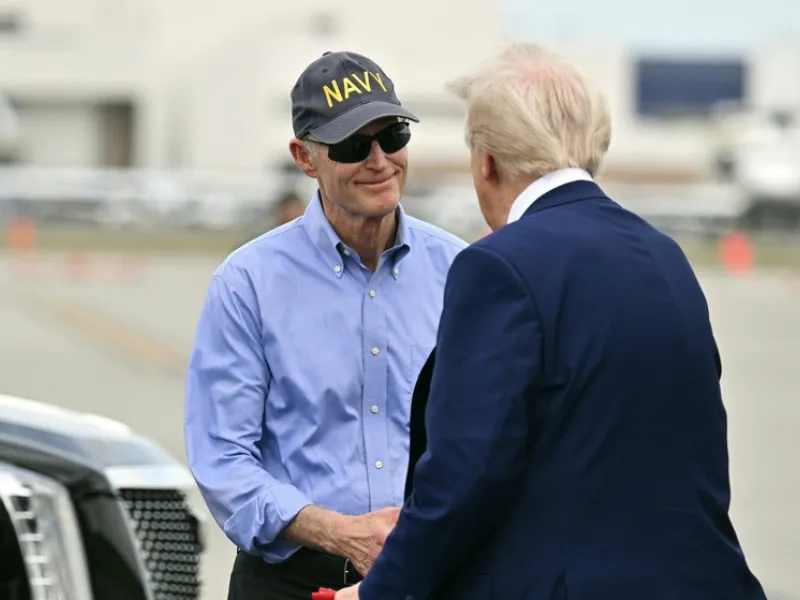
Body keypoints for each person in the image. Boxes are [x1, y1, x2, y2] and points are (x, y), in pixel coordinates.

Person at [336, 43, 767, 600]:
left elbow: (466, 474)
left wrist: (381, 590)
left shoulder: (499, 267)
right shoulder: (665, 257)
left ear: (486, 162)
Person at [184, 50, 467, 600]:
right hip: (291, 580)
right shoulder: (248, 283)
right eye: (353, 145)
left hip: (428, 576)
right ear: (305, 158)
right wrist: (339, 533)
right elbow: (222, 461)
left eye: (393, 136)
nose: (379, 160)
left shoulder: (460, 271)